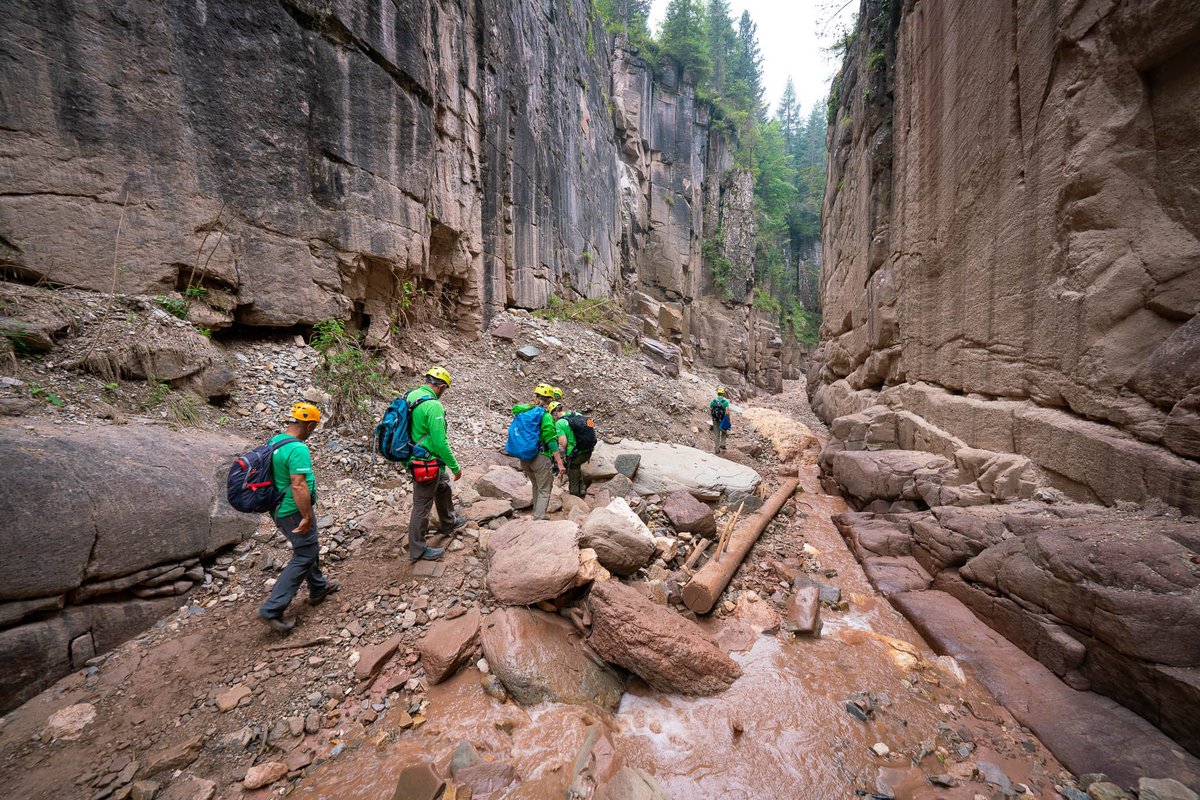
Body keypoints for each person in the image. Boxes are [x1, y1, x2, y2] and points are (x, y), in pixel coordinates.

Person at [258, 402, 338, 633]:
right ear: (310, 425)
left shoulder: (275, 442)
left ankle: (318, 587)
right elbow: (299, 485)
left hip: (278, 508)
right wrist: (306, 516)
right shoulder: (298, 449)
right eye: (314, 428)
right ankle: (272, 608)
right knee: (305, 553)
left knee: (308, 547)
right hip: (293, 510)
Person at [405, 366, 466, 562]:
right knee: (422, 507)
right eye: (444, 389)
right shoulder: (434, 406)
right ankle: (418, 550)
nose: (443, 393)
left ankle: (448, 522)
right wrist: (455, 466)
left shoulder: (411, 396)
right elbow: (440, 442)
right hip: (426, 462)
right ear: (439, 386)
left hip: (417, 457)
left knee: (443, 487)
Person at [512, 383, 565, 519]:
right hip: (541, 458)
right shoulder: (545, 416)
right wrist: (559, 463)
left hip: (525, 457)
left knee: (536, 486)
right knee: (545, 490)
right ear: (549, 400)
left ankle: (537, 513)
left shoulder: (523, 411)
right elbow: (551, 440)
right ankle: (539, 519)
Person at [551, 401, 590, 498]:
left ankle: (574, 495)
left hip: (575, 452)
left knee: (572, 468)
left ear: (554, 413)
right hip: (588, 448)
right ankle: (582, 489)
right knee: (577, 466)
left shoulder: (559, 423)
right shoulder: (577, 414)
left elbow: (563, 443)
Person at [710, 387, 731, 453]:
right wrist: (728, 420)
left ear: (718, 393)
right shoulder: (725, 402)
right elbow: (727, 413)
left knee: (717, 434)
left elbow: (711, 409)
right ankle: (722, 444)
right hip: (722, 420)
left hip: (715, 420)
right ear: (723, 394)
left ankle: (716, 449)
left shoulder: (713, 401)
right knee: (724, 432)